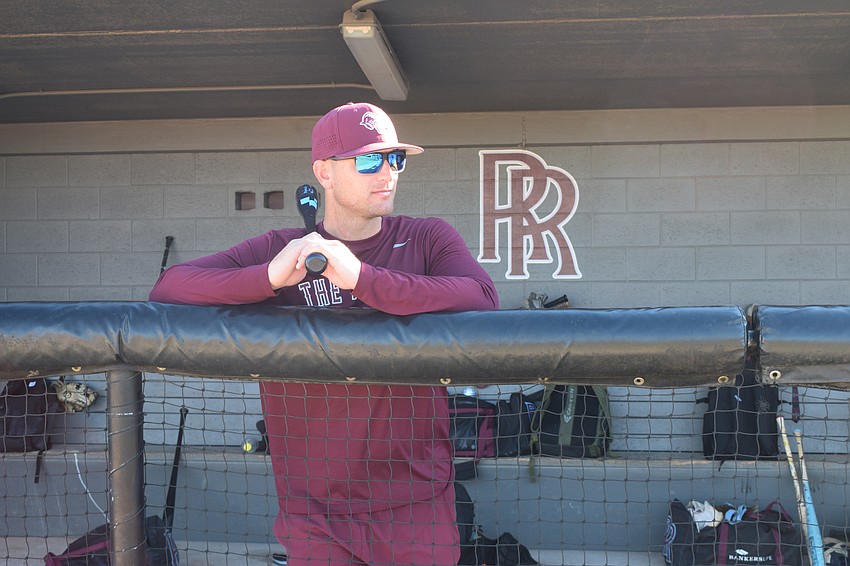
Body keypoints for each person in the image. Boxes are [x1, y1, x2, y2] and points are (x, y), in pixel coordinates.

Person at [149, 101, 499, 565]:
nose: (388, 173)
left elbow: (482, 297)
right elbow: (168, 287)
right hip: (315, 511)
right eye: (370, 160)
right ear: (324, 172)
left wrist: (362, 278)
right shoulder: (282, 248)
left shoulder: (426, 237)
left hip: (415, 501)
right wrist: (268, 278)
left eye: (395, 159)